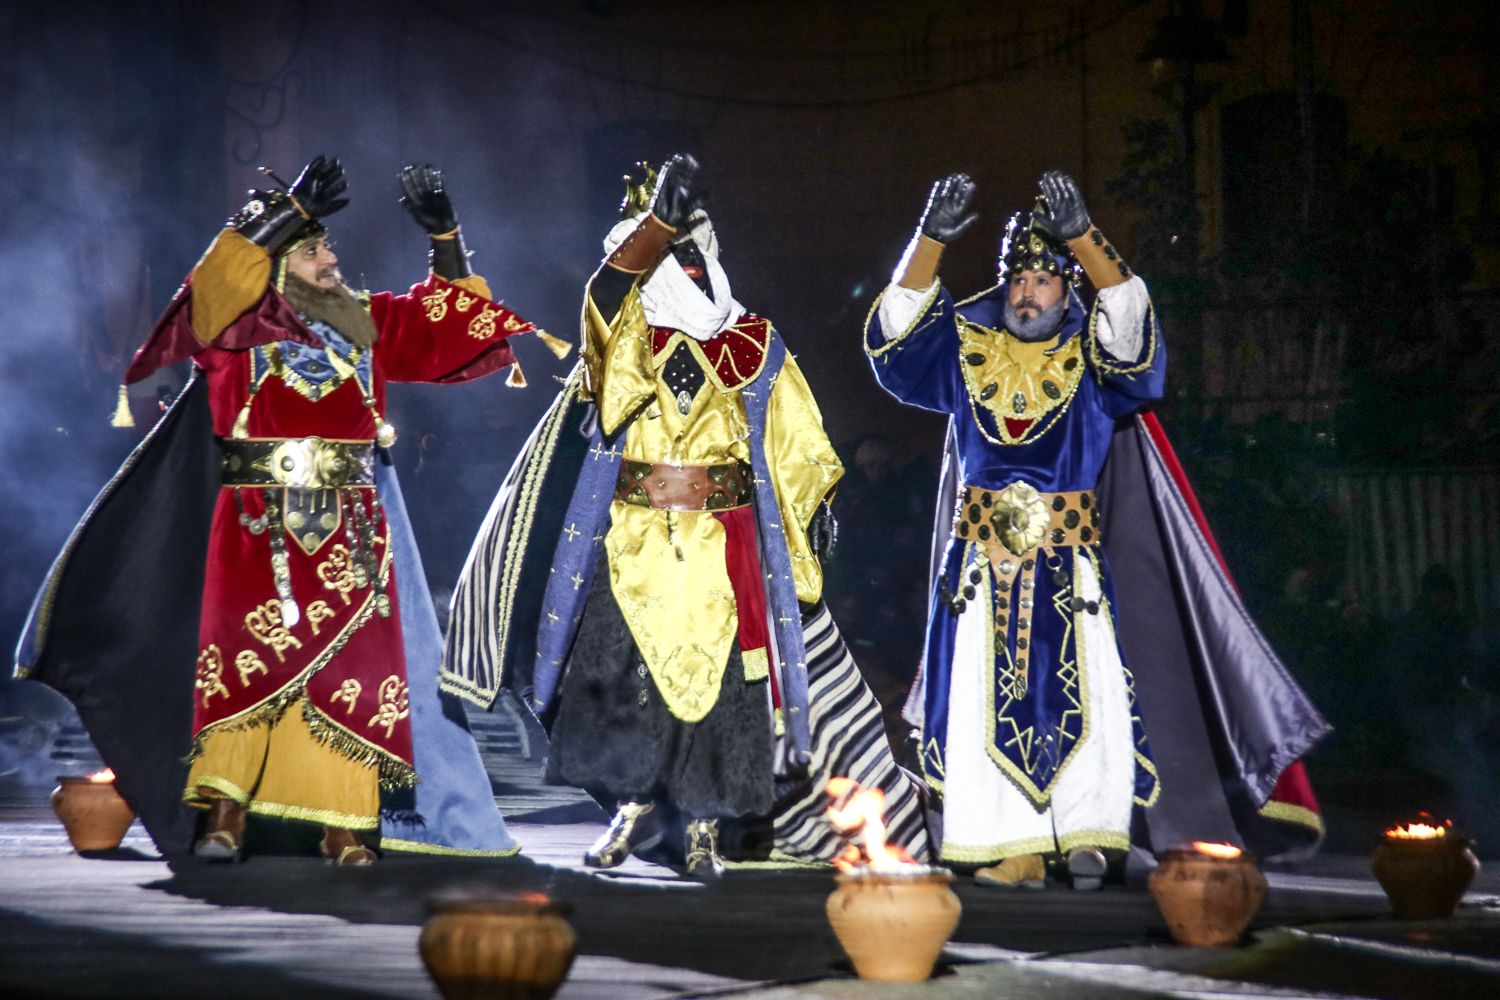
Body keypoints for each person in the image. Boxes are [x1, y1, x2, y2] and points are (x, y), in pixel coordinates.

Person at [16, 156, 545, 864]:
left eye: (329, 245)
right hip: (257, 528)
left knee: (353, 675)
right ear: (277, 262)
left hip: (353, 530)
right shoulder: (238, 332)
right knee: (245, 663)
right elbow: (207, 291)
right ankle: (226, 818)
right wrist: (288, 210)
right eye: (315, 248)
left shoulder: (365, 323)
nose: (332, 258)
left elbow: (455, 329)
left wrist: (445, 238)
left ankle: (344, 826)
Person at [442, 154, 931, 877]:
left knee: (726, 690)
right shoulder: (627, 340)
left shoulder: (755, 341)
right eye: (677, 254)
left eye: (699, 251)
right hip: (637, 541)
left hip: (725, 545)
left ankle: (706, 823)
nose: (694, 266)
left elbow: (796, 440)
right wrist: (659, 223)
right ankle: (631, 810)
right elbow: (603, 298)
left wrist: (817, 502)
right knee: (622, 686)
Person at [866, 170, 1328, 888]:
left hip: (1070, 566)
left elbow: (1134, 332)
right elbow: (896, 339)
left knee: (1087, 700)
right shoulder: (963, 352)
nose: (1026, 294)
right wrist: (929, 242)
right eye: (1017, 279)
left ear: (1066, 289)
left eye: (1044, 282)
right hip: (980, 570)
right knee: (981, 698)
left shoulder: (1093, 360)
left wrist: (1085, 239)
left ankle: (1089, 836)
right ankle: (1004, 845)